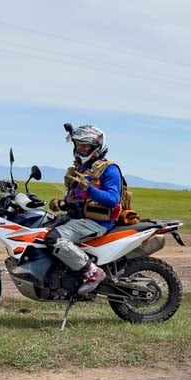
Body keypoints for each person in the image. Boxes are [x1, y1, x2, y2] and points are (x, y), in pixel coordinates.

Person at [46, 124, 123, 294]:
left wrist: (90, 189)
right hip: (79, 218)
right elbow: (76, 198)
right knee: (41, 227)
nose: (81, 149)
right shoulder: (81, 169)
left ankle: (92, 272)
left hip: (98, 222)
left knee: (54, 238)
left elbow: (112, 199)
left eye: (85, 145)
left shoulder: (109, 169)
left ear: (96, 147)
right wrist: (63, 203)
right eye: (78, 145)